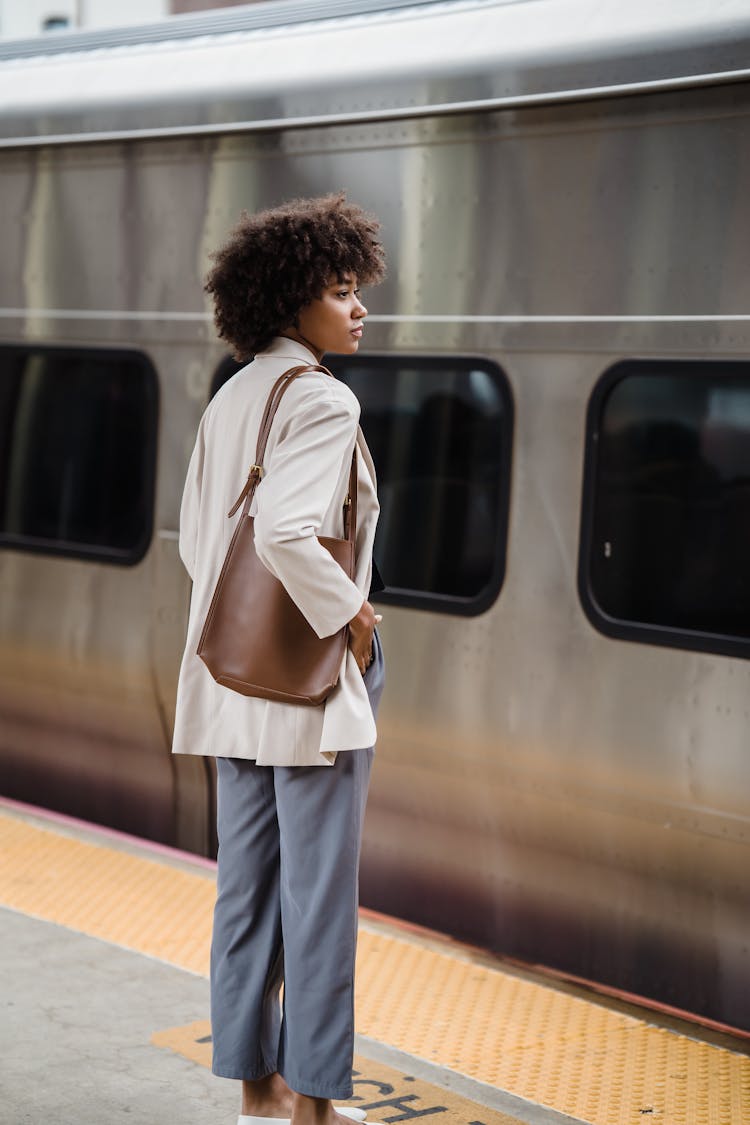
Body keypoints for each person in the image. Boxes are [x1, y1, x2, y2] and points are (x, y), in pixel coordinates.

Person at [172, 194, 387, 1125]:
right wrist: (357, 618)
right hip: (304, 692)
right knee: (320, 899)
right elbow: (288, 531)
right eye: (342, 291)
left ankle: (257, 1081)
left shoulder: (233, 395)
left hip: (225, 683)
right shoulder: (325, 399)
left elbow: (198, 545)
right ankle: (314, 1104)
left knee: (247, 888)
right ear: (295, 302)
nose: (360, 308)